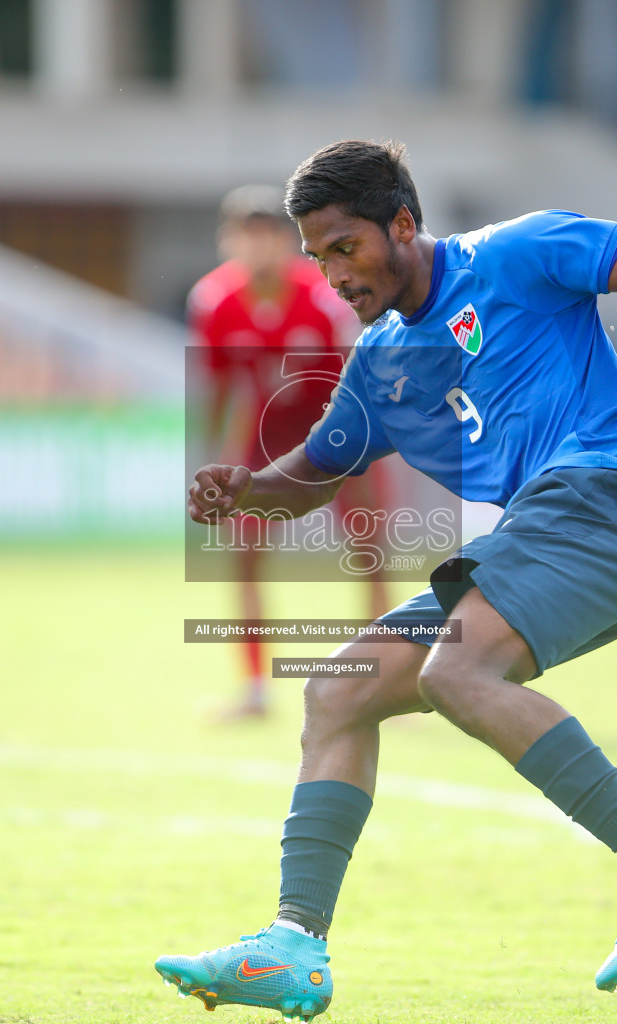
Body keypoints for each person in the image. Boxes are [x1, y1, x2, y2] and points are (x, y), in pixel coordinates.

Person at [158, 139, 617, 1020]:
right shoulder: (381, 364)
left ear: (401, 225)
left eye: (344, 249)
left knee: (457, 672)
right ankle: (293, 944)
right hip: (555, 529)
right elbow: (313, 472)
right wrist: (245, 490)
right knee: (339, 690)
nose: (333, 275)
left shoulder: (517, 253)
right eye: (318, 258)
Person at [190, 184, 388, 718]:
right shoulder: (215, 303)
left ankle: (385, 683)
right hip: (265, 439)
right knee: (244, 557)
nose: (256, 248)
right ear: (228, 241)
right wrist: (212, 460)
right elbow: (220, 389)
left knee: (372, 553)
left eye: (267, 236)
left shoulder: (324, 298)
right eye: (244, 237)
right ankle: (255, 689)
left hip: (339, 434)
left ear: (285, 241)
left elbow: (358, 374)